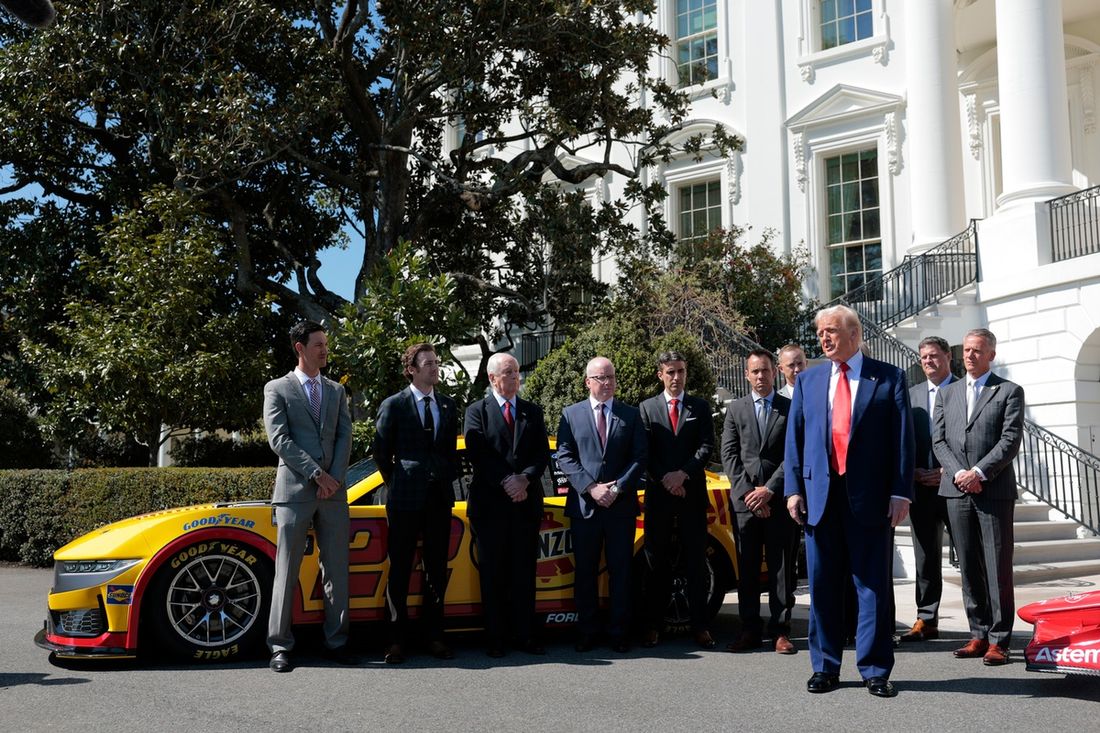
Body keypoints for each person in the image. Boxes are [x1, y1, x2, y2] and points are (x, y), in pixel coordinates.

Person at [784, 305, 914, 698]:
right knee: (822, 585)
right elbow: (796, 440)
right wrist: (793, 489)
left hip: (870, 499)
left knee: (871, 585)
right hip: (820, 498)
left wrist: (900, 492)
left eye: (831, 331)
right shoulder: (809, 380)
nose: (823, 338)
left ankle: (875, 669)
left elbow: (902, 440)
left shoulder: (888, 377)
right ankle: (824, 667)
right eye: (820, 332)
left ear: (854, 334)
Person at [263, 320, 354, 673]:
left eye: (325, 344)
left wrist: (335, 479)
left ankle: (338, 642)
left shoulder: (335, 391)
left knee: (337, 570)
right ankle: (280, 647)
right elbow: (279, 440)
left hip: (333, 494)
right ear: (300, 348)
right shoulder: (277, 389)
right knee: (286, 570)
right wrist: (317, 474)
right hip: (295, 492)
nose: (325, 350)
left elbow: (345, 436)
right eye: (319, 344)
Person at [932, 328, 1024, 667]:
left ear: (991, 355)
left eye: (977, 350)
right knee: (969, 565)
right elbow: (938, 441)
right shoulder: (948, 393)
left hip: (993, 490)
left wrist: (979, 473)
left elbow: (1010, 440)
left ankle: (1000, 640)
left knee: (997, 566)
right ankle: (978, 633)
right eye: (966, 350)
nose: (969, 355)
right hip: (956, 491)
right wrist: (959, 473)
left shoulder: (1009, 391)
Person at [375, 343, 460, 664]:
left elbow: (449, 451)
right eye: (428, 363)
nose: (434, 368)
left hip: (439, 498)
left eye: (436, 363)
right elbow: (381, 453)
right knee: (400, 569)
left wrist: (443, 473)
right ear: (411, 369)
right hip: (404, 500)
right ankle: (396, 640)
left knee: (436, 569)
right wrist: (398, 481)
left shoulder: (449, 406)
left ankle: (434, 636)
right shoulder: (394, 405)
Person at [556, 356, 647, 653]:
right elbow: (565, 456)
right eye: (600, 378)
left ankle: (620, 632)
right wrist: (591, 488)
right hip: (586, 507)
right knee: (585, 572)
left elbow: (639, 457)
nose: (607, 383)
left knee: (621, 572)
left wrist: (618, 488)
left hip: (620, 508)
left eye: (610, 377)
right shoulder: (570, 415)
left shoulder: (630, 415)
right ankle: (588, 631)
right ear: (588, 382)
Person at [464, 353, 550, 658]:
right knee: (493, 575)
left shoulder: (532, 412)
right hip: (491, 507)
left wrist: (524, 480)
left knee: (524, 573)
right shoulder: (477, 412)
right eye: (508, 373)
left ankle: (526, 635)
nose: (515, 378)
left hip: (525, 504)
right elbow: (478, 453)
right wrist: (507, 481)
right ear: (492, 379)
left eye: (516, 372)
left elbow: (541, 454)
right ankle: (496, 638)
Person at [638, 351, 716, 649]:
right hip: (659, 496)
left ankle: (700, 626)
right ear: (660, 374)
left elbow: (706, 446)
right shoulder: (646, 409)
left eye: (681, 371)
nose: (676, 377)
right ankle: (653, 626)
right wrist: (667, 480)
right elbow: (645, 453)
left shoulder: (700, 406)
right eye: (670, 372)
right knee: (656, 562)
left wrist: (682, 475)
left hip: (691, 494)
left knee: (696, 562)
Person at [722, 349, 798, 655]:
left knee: (782, 570)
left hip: (779, 503)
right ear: (746, 375)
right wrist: (749, 495)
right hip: (745, 505)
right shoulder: (735, 410)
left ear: (775, 372)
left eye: (765, 371)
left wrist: (768, 490)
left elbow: (793, 454)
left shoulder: (790, 408)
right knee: (748, 569)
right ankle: (749, 629)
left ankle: (780, 630)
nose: (760, 376)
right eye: (755, 372)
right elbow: (729, 456)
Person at [898, 336, 955, 643]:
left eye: (934, 356)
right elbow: (902, 441)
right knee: (925, 557)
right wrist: (913, 472)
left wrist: (951, 469)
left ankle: (981, 622)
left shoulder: (963, 390)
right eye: (924, 358)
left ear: (948, 357)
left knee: (971, 557)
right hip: (922, 487)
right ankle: (926, 618)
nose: (929, 361)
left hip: (958, 487)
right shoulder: (911, 395)